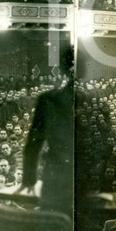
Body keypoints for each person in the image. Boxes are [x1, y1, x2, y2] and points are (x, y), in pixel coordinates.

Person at [22, 47, 76, 214]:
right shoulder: (94, 100)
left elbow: (33, 144)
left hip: (56, 174)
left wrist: (29, 180)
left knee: (52, 225)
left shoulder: (48, 100)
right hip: (80, 178)